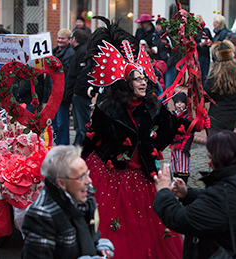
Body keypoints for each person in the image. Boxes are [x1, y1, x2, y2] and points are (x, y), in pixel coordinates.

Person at [81, 17, 207, 259]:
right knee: (115, 227)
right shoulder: (108, 109)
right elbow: (92, 139)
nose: (142, 82)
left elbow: (171, 124)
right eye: (136, 79)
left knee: (150, 229)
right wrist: (76, 164)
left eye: (143, 78)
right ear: (126, 83)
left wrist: (194, 123)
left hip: (142, 175)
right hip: (111, 176)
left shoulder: (151, 106)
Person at [153, 130, 236, 259]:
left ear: (223, 159)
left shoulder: (223, 195)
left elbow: (180, 219)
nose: (208, 162)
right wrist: (187, 194)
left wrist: (163, 191)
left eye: (210, 157)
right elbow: (219, 202)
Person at [21, 145, 115, 259]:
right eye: (81, 177)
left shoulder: (85, 199)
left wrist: (99, 246)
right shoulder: (42, 215)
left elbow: (91, 235)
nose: (89, 181)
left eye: (87, 174)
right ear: (61, 183)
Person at [204, 39, 236, 132]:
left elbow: (206, 97)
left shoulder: (214, 77)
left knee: (216, 145)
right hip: (233, 117)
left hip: (217, 117)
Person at [43, 29, 75, 145]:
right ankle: (58, 144)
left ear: (69, 40)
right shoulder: (53, 53)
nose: (60, 41)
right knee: (54, 122)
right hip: (52, 93)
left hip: (61, 94)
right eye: (59, 38)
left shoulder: (70, 54)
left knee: (62, 123)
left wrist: (65, 93)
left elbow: (67, 76)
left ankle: (63, 146)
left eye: (63, 38)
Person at [65, 29, 90, 146]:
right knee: (78, 125)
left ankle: (81, 148)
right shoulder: (81, 51)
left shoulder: (82, 52)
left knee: (82, 125)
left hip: (80, 94)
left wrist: (76, 92)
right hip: (79, 93)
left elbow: (81, 75)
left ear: (74, 39)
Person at [170, 92, 194, 184]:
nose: (179, 104)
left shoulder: (188, 117)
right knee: (174, 167)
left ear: (186, 104)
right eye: (177, 102)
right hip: (173, 146)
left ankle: (183, 185)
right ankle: (176, 185)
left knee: (183, 168)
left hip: (182, 146)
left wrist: (185, 147)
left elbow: (190, 133)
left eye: (182, 102)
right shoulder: (173, 116)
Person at [194, 14, 212, 86]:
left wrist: (209, 42)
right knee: (199, 76)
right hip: (198, 56)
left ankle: (203, 92)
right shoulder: (194, 32)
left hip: (206, 56)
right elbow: (192, 44)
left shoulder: (206, 31)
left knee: (205, 76)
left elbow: (211, 40)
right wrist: (199, 45)